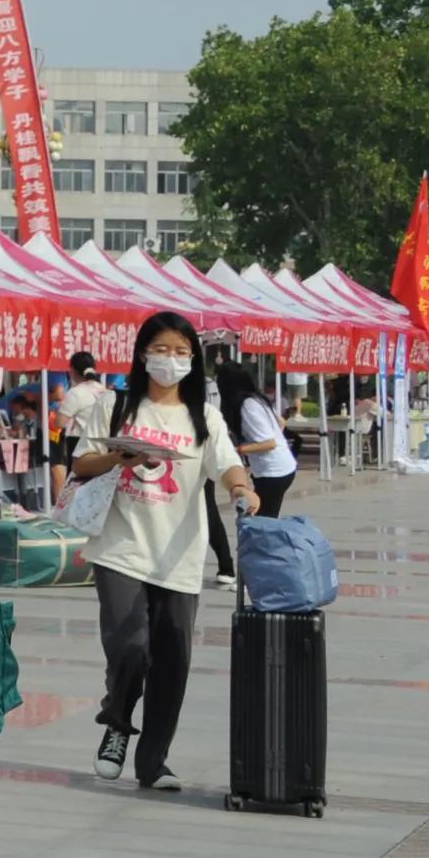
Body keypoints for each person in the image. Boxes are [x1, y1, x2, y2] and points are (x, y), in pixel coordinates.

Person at [70, 314, 257, 791]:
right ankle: (117, 723)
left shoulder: (204, 417)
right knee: (131, 647)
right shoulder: (115, 405)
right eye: (160, 349)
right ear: (141, 353)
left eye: (180, 352)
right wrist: (121, 457)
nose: (169, 360)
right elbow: (82, 462)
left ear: (193, 360)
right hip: (121, 548)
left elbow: (230, 465)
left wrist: (243, 491)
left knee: (172, 662)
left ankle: (153, 762)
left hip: (179, 556)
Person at [218, 360, 298, 518]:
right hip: (279, 468)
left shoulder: (248, 405)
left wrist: (239, 450)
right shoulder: (258, 400)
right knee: (263, 518)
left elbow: (269, 443)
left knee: (260, 520)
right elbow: (280, 423)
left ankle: (268, 542)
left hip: (274, 472)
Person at [57, 353, 114, 468]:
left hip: (81, 444)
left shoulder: (75, 392)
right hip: (104, 443)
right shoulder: (104, 390)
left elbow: (60, 422)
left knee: (79, 482)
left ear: (72, 370)